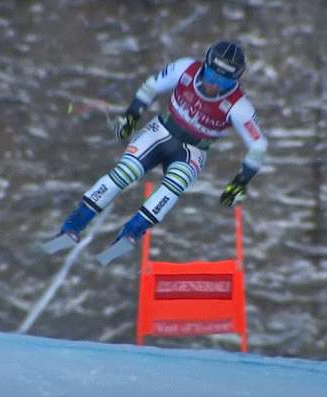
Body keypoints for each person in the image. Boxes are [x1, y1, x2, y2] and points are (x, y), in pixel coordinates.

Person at [42, 40, 268, 263]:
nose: (215, 86)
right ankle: (72, 227)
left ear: (236, 81)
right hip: (161, 132)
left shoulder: (239, 106)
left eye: (225, 82)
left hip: (193, 150)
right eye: (211, 76)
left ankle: (131, 234)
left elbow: (258, 145)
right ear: (204, 65)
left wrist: (240, 182)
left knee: (173, 187)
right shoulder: (185, 69)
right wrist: (132, 115)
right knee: (124, 173)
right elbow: (151, 86)